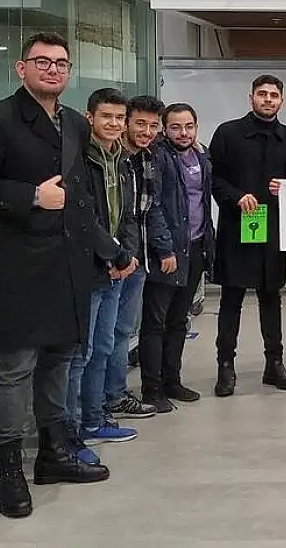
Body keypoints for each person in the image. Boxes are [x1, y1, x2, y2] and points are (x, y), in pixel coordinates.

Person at [0, 32, 109, 519]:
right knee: (15, 367)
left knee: (59, 359)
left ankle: (53, 453)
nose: (53, 69)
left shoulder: (75, 123)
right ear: (22, 69)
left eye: (61, 63)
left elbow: (80, 197)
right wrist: (31, 196)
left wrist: (108, 250)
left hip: (68, 262)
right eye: (43, 61)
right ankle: (8, 468)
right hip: (19, 263)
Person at [208, 75, 286, 396]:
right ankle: (225, 367)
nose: (268, 99)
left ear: (281, 101)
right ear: (251, 98)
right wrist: (235, 197)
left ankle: (274, 364)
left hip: (273, 230)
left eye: (274, 95)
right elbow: (214, 178)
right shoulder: (227, 133)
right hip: (237, 228)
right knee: (231, 299)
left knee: (271, 298)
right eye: (262, 94)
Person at [71, 89, 142, 451]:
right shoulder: (80, 160)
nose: (114, 124)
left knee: (103, 347)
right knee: (80, 355)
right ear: (90, 118)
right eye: (106, 117)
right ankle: (74, 430)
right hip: (89, 269)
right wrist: (112, 256)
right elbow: (83, 217)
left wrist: (126, 255)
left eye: (119, 118)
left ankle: (94, 418)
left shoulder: (122, 161)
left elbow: (127, 215)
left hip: (115, 268)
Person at [141, 103, 217, 412]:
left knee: (178, 320)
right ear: (164, 128)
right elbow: (153, 205)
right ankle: (152, 389)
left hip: (194, 249)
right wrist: (164, 249)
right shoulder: (157, 157)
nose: (183, 133)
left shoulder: (201, 156)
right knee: (156, 322)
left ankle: (172, 380)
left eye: (189, 126)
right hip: (168, 253)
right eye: (175, 127)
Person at [104, 95, 168, 422]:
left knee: (123, 331)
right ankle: (101, 402)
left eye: (153, 126)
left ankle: (115, 394)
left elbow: (149, 209)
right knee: (103, 337)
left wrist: (163, 249)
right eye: (140, 123)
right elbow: (116, 217)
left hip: (137, 260)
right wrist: (119, 256)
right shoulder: (112, 159)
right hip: (113, 261)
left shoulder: (148, 158)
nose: (146, 131)